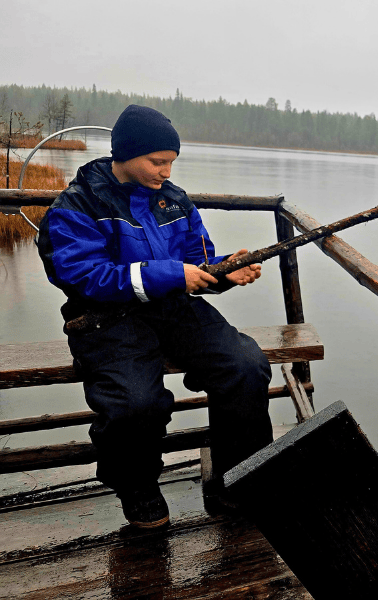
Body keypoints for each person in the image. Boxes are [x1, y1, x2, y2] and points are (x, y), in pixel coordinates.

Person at [37, 105, 274, 528]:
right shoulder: (76, 206)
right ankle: (138, 487)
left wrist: (224, 271)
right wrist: (172, 275)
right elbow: (83, 278)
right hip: (104, 319)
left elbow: (194, 262)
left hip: (174, 309)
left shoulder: (175, 201)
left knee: (245, 365)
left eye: (171, 163)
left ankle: (238, 479)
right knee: (134, 402)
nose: (166, 171)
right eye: (157, 161)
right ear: (124, 155)